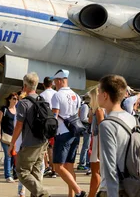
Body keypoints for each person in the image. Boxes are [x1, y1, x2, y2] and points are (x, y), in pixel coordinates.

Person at [9, 73, 50, 197]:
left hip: (30, 143)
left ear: (25, 86)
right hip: (42, 141)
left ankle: (43, 194)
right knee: (36, 172)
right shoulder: (42, 100)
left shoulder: (23, 103)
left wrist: (12, 143)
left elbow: (19, 125)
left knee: (22, 171)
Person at [50, 69, 86, 197]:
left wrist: (50, 132)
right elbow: (77, 114)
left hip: (62, 132)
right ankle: (72, 194)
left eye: (55, 81)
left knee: (58, 166)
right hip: (74, 131)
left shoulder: (57, 95)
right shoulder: (76, 95)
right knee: (69, 165)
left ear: (60, 80)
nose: (54, 84)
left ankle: (78, 191)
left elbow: (55, 115)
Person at [87, 86, 105, 197]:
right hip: (97, 140)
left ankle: (91, 195)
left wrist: (98, 148)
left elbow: (102, 127)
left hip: (98, 141)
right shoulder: (98, 110)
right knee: (96, 172)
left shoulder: (99, 110)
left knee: (95, 172)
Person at [0, 93, 18, 182]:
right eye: (13, 98)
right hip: (6, 136)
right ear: (9, 99)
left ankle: (12, 173)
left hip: (15, 137)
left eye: (17, 99)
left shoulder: (18, 110)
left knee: (14, 156)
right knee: (8, 155)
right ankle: (8, 175)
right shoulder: (4, 109)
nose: (15, 101)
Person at [40, 77, 57, 179]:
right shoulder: (56, 94)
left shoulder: (42, 95)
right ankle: (53, 169)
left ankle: (48, 167)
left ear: (43, 84)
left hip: (46, 122)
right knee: (52, 147)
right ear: (52, 84)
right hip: (55, 122)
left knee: (46, 147)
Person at [77, 98, 90, 171]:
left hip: (87, 127)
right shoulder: (85, 106)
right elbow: (83, 118)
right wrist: (91, 120)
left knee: (87, 146)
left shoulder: (86, 106)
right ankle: (82, 163)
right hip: (86, 127)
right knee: (86, 146)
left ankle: (85, 162)